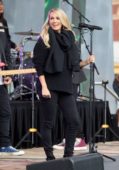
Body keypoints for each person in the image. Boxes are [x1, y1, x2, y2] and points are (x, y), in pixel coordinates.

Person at [33, 8, 81, 160]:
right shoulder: (44, 38)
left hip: (66, 85)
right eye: (51, 18)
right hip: (49, 85)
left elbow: (73, 64)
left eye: (57, 18)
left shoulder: (69, 38)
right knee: (48, 122)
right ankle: (50, 157)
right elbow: (38, 67)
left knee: (74, 121)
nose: (54, 21)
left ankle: (68, 156)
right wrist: (44, 87)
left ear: (63, 20)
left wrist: (87, 61)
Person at [0, 1, 24, 156]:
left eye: (2, 4)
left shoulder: (3, 22)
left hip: (1, 73)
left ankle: (4, 145)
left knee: (5, 111)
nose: (1, 7)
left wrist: (8, 72)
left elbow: (7, 45)